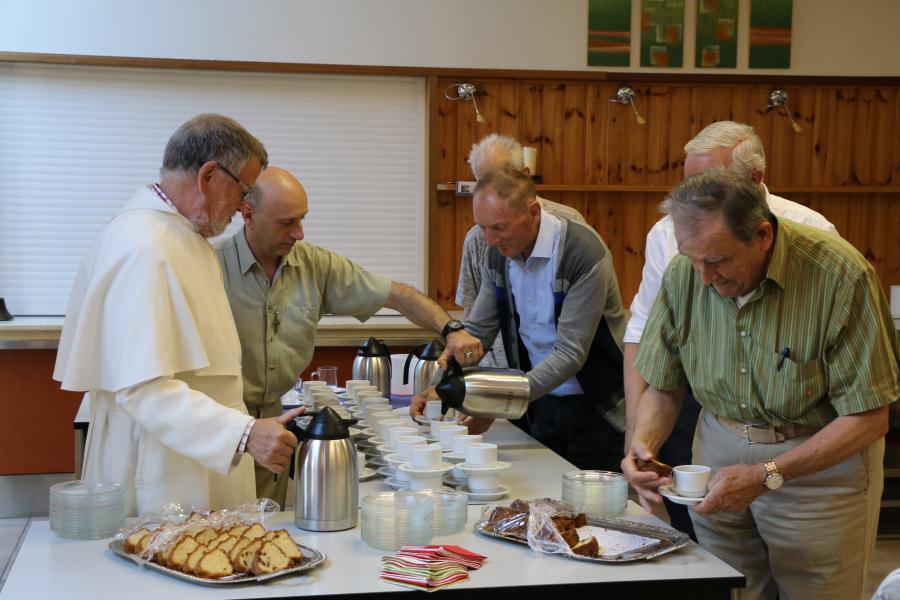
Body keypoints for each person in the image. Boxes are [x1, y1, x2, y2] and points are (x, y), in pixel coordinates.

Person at [624, 168, 899, 600]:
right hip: (716, 454)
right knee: (732, 589)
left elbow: (869, 418)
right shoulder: (685, 274)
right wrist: (642, 446)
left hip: (816, 468)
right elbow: (664, 386)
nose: (704, 278)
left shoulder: (840, 277)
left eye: (717, 261)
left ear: (763, 235)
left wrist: (767, 473)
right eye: (691, 258)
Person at [53, 114, 303, 516]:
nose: (243, 208)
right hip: (163, 470)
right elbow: (144, 389)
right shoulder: (144, 247)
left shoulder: (178, 235)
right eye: (243, 191)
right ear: (208, 176)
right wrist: (245, 434)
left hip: (191, 456)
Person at [215, 166, 484, 506]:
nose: (299, 233)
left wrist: (452, 330)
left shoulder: (315, 266)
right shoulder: (211, 267)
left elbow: (398, 295)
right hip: (225, 436)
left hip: (277, 432)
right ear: (247, 214)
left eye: (302, 219)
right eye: (287, 222)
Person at [622, 120, 839, 541]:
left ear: (755, 181)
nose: (693, 201)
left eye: (711, 185)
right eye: (689, 184)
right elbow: (643, 333)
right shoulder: (667, 232)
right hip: (703, 412)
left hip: (798, 431)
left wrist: (769, 470)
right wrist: (636, 438)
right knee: (703, 551)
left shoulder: (815, 236)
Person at [413, 166, 627, 471]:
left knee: (589, 511)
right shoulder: (498, 254)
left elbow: (570, 354)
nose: (488, 240)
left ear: (534, 213)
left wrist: (500, 403)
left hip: (597, 409)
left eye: (498, 227)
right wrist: (439, 386)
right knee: (540, 501)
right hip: (540, 403)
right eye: (482, 227)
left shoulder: (582, 251)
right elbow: (478, 332)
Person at [457, 134, 587, 371]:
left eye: (500, 183)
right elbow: (472, 317)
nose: (491, 238)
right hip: (496, 373)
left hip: (559, 374)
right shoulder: (477, 239)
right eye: (482, 184)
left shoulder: (571, 227)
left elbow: (578, 333)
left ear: (525, 175)